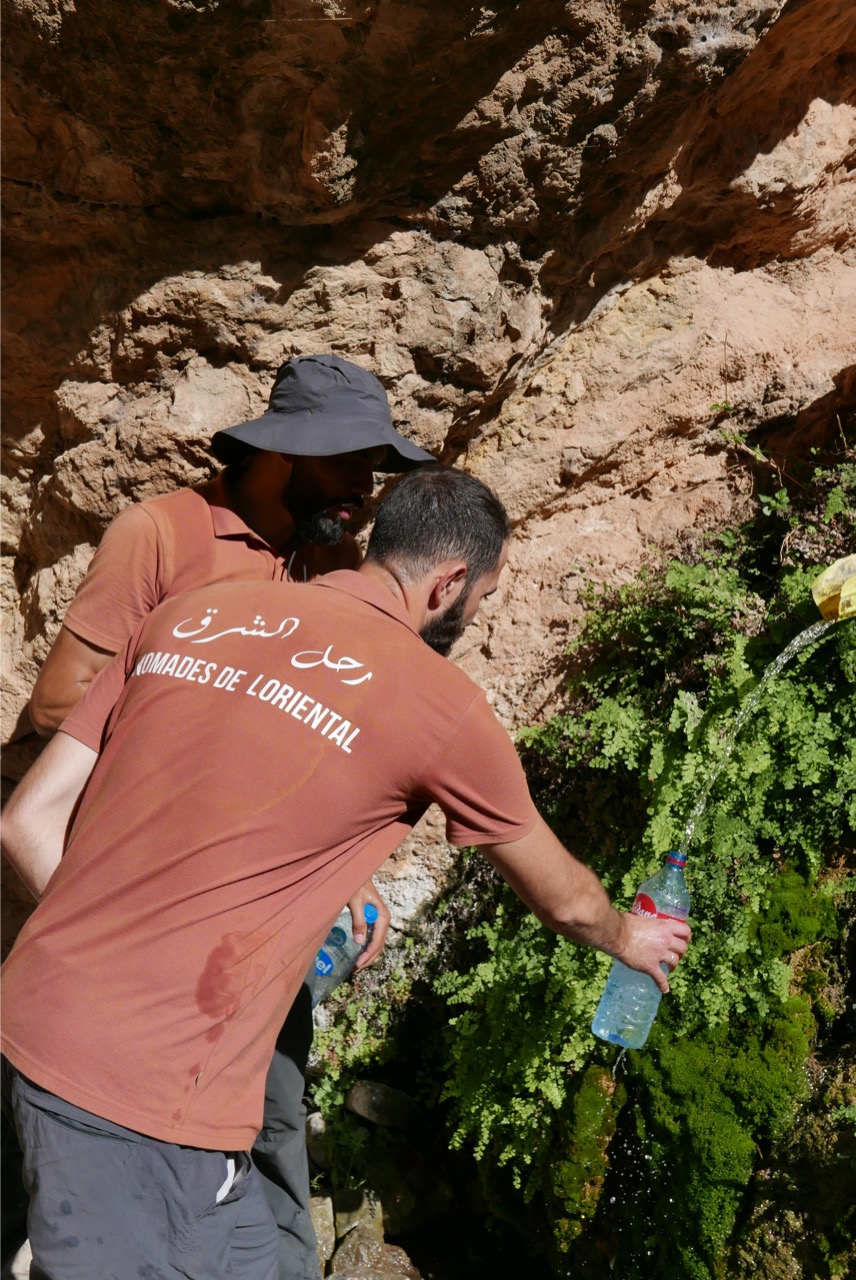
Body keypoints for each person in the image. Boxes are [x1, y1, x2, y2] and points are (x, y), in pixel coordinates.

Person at [1, 466, 691, 1280]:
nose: (475, 616)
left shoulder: (189, 615)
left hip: (25, 1012)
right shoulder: (442, 707)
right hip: (143, 1098)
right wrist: (632, 937)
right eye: (484, 599)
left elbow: (24, 821)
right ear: (451, 583)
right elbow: (569, 902)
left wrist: (114, 944)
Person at [19, 352, 437, 1280]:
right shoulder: (159, 535)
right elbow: (57, 706)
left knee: (275, 1104)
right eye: (352, 467)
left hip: (256, 925)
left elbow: (318, 746)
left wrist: (352, 874)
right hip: (139, 910)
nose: (366, 494)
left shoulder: (327, 560)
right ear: (288, 456)